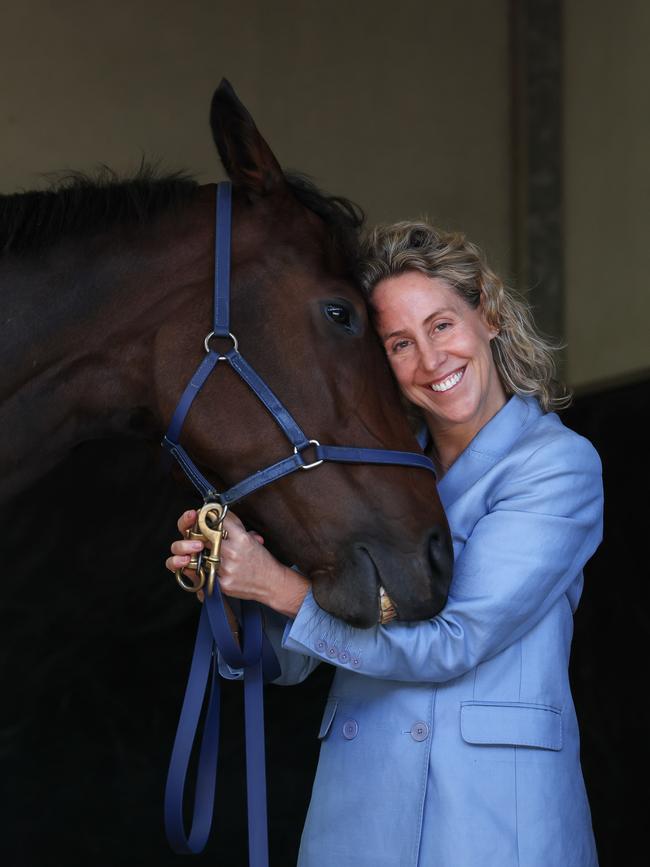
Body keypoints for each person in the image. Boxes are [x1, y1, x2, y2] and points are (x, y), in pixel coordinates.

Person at [166, 221, 603, 867]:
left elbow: (455, 641)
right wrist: (232, 586)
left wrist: (279, 587)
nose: (431, 361)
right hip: (359, 809)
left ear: (486, 313)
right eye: (400, 343)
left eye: (442, 325)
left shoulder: (556, 466)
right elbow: (297, 659)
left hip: (491, 821)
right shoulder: (376, 482)